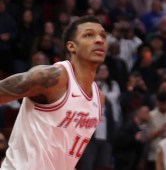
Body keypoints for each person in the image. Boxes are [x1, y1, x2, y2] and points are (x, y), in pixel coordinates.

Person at [0, 16, 107, 169]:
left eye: (103, 35)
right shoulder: (53, 77)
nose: (99, 40)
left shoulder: (99, 98)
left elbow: (65, 151)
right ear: (72, 47)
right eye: (89, 35)